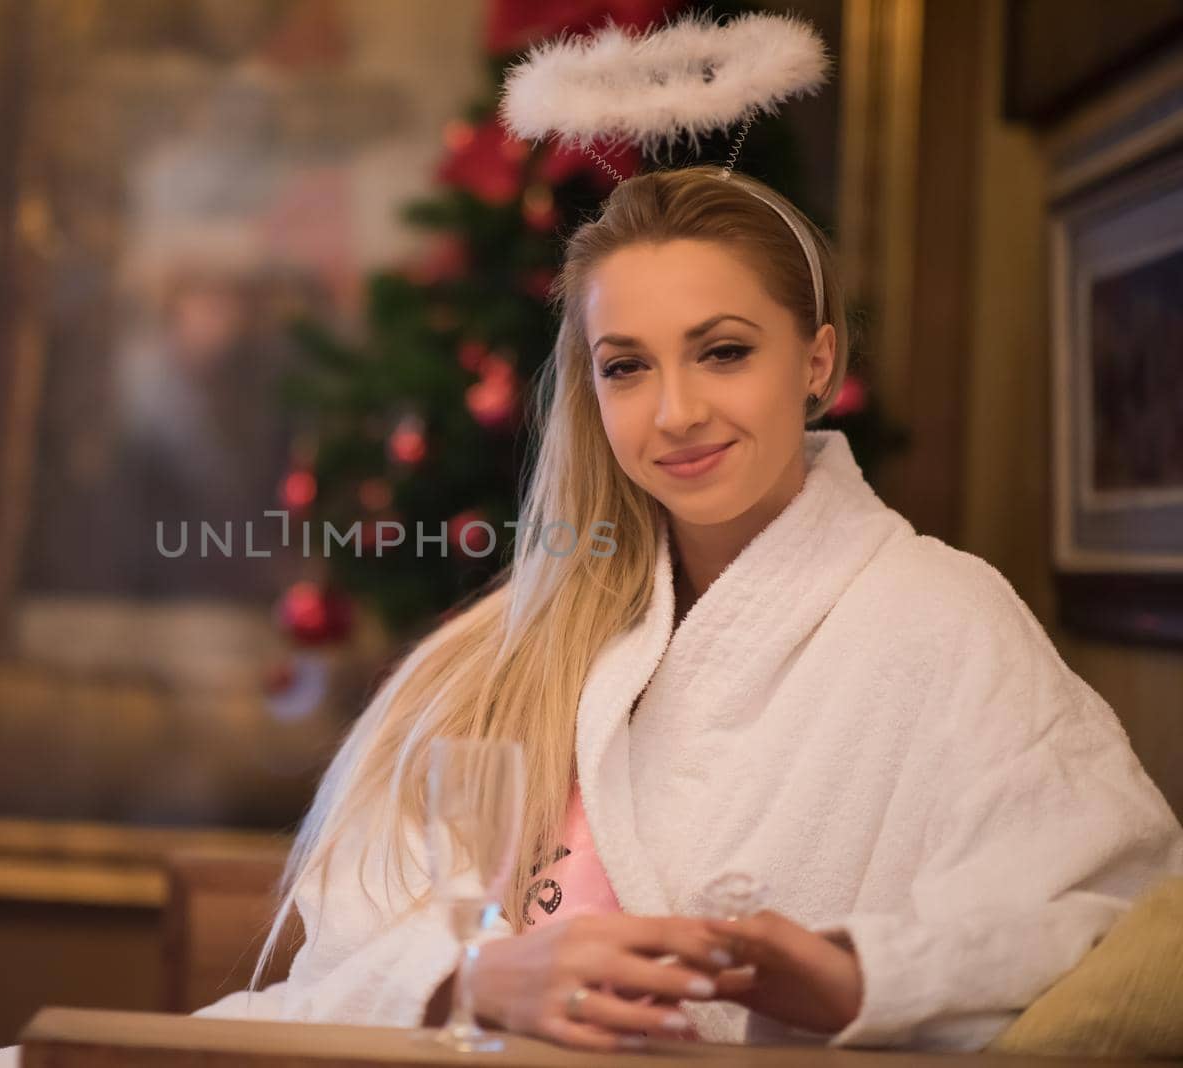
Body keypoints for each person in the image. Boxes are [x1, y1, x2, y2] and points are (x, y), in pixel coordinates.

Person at [187, 162, 1183, 1051]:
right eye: (626, 366)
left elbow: (1108, 914)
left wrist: (860, 977)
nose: (675, 413)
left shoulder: (946, 623)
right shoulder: (498, 655)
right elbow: (347, 948)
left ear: (818, 362)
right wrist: (475, 978)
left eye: (722, 352)